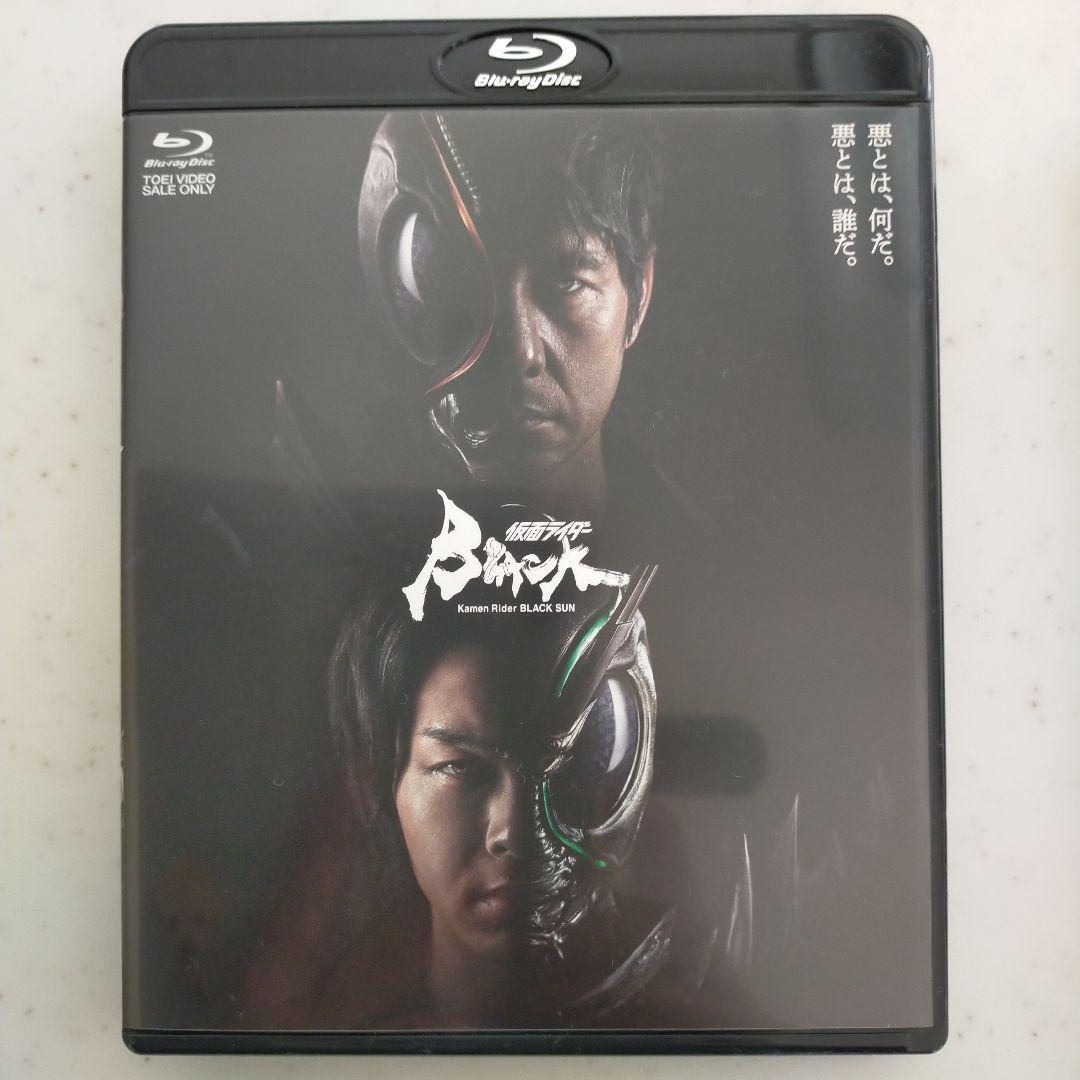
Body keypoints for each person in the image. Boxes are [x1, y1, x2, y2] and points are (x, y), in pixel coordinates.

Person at [355, 109, 665, 523]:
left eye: (567, 284)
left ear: (639, 293)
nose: (522, 352)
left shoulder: (697, 549)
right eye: (461, 282)